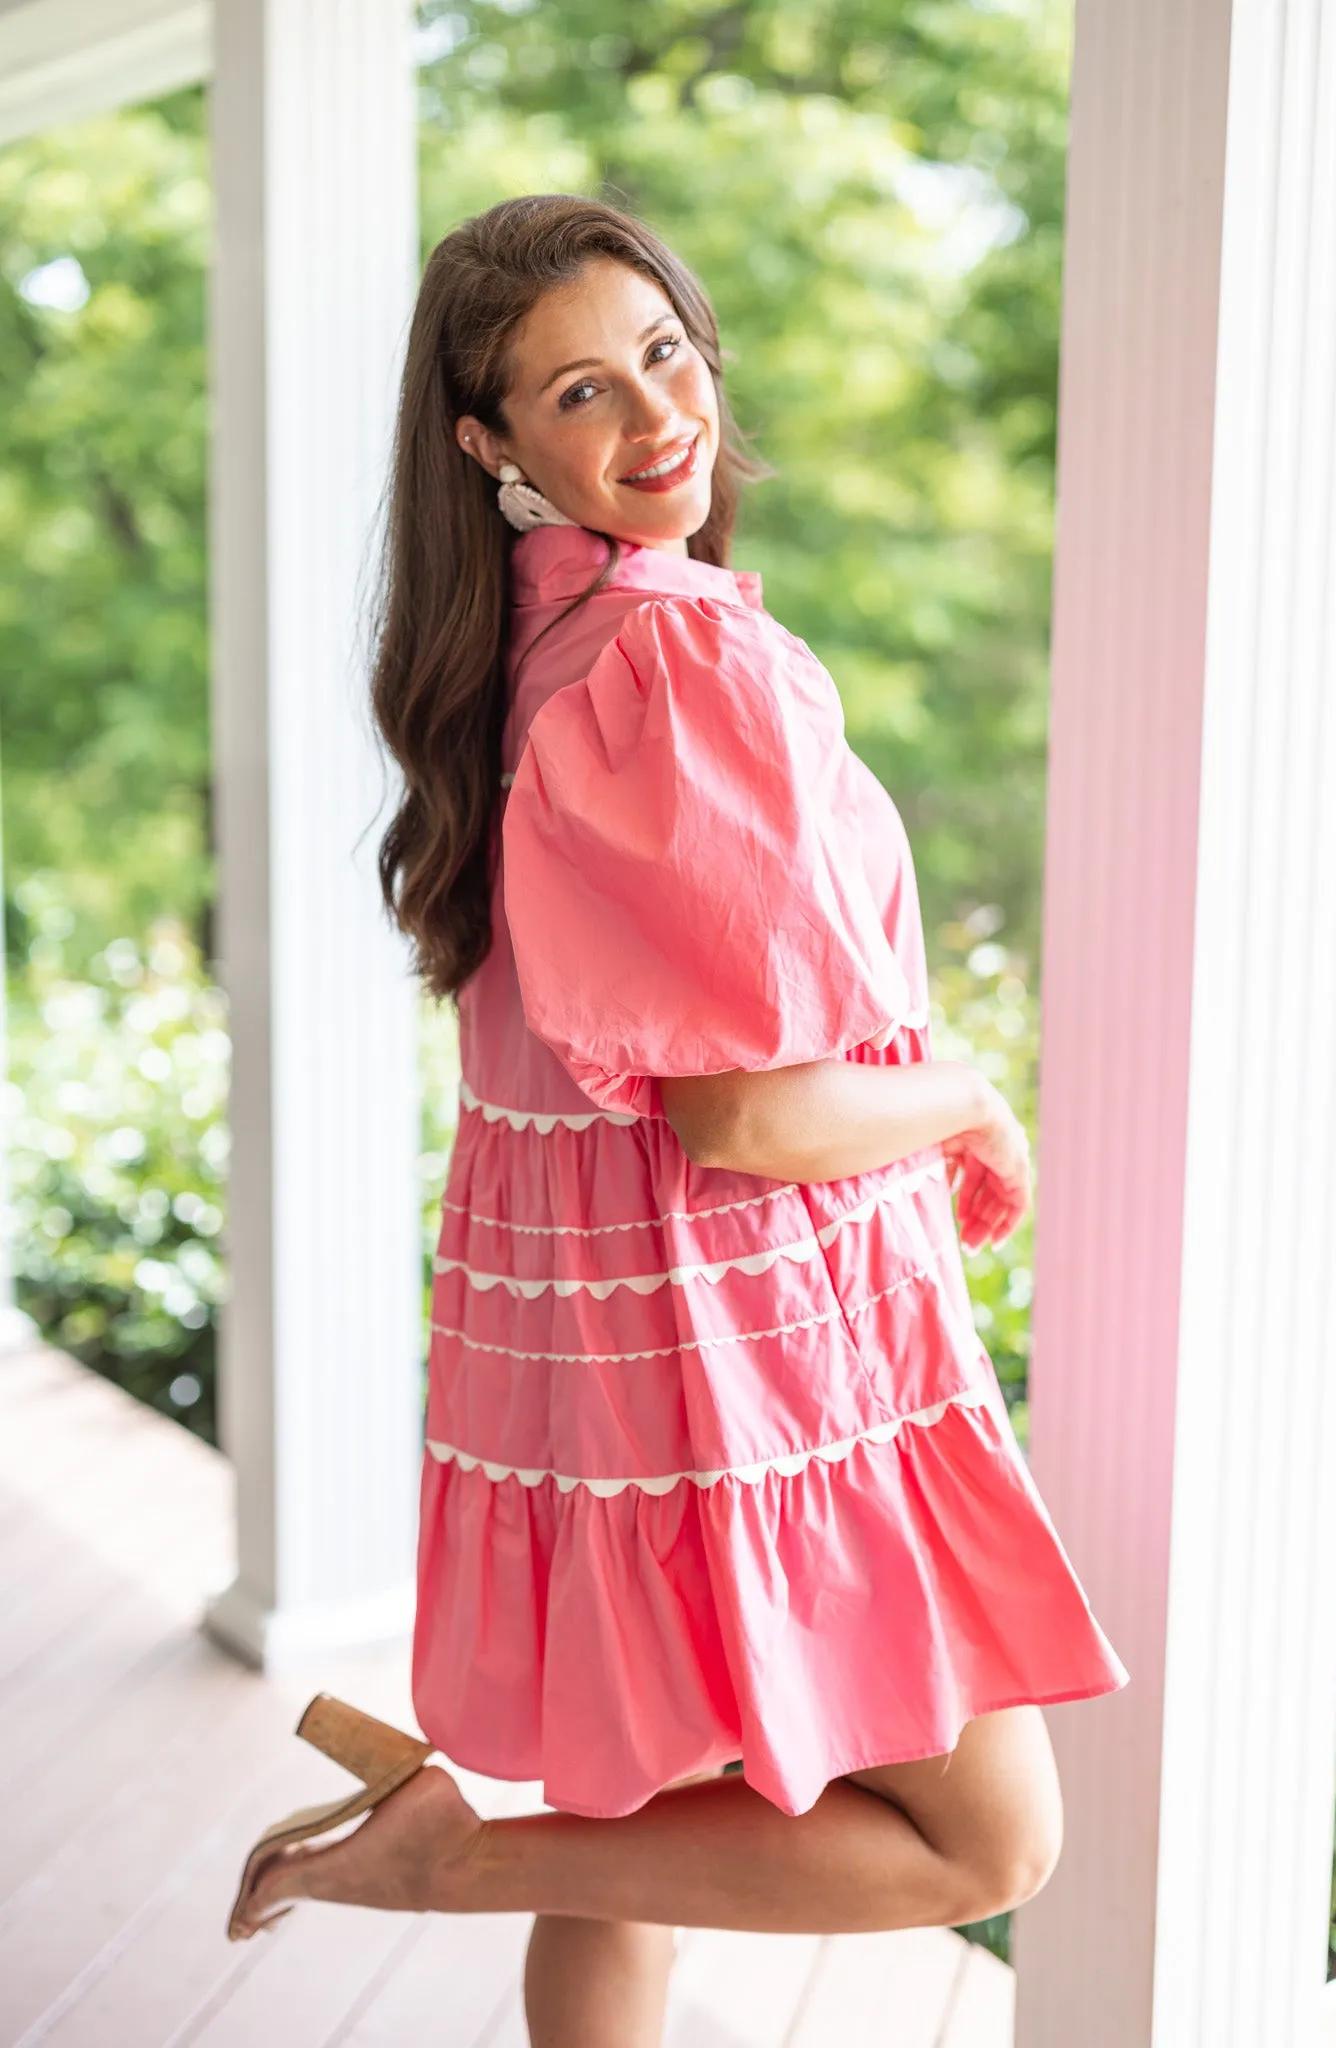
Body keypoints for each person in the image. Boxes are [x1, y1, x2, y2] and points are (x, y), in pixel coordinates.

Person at [226, 192, 1129, 2042]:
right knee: (986, 1846)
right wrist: (963, 1095)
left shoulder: (521, 657)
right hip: (748, 1355)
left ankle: (457, 1847)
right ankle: (443, 1856)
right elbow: (736, 1115)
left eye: (662, 350)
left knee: (617, 1832)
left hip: (604, 1356)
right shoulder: (662, 656)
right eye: (579, 391)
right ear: (488, 445)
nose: (655, 416)